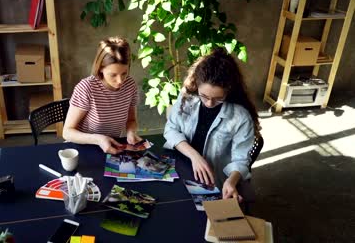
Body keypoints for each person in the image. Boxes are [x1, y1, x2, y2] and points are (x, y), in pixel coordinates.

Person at [163, 48, 260, 201]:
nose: (209, 103)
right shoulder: (187, 99)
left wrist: (231, 181)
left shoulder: (240, 117)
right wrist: (195, 156)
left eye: (218, 98)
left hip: (213, 179)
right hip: (182, 165)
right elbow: (170, 129)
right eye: (204, 96)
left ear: (229, 90)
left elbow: (241, 160)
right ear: (197, 85)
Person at [63, 37, 142, 154]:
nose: (120, 81)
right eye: (113, 75)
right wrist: (98, 139)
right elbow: (67, 132)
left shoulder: (130, 85)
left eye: (124, 73)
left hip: (112, 147)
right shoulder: (86, 88)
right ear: (100, 69)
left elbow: (131, 120)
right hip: (83, 148)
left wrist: (131, 132)